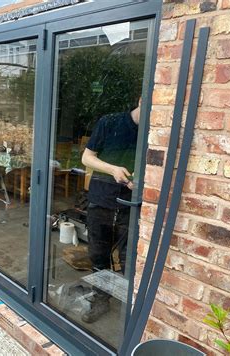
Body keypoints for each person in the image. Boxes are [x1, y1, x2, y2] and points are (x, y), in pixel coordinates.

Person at [80, 101, 140, 323]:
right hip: (101, 198)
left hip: (132, 204)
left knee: (129, 260)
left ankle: (130, 312)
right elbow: (87, 158)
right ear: (142, 101)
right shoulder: (110, 122)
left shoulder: (156, 130)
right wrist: (113, 169)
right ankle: (100, 299)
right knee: (98, 254)